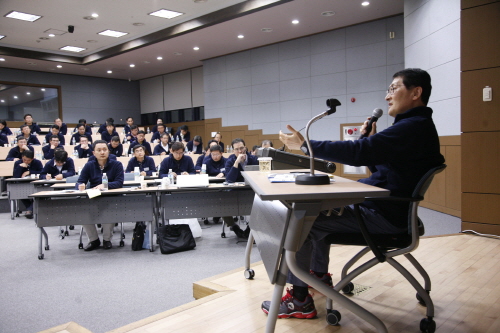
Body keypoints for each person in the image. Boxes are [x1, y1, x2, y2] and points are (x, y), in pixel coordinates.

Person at [261, 68, 445, 319]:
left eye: (393, 89)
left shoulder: (413, 127)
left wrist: (305, 145)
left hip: (383, 215)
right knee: (317, 211)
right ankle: (317, 276)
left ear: (416, 92)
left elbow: (359, 151)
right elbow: (382, 171)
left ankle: (300, 299)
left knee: (301, 218)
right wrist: (373, 143)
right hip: (389, 210)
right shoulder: (416, 127)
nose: (387, 96)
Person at [76, 140, 124, 251]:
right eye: (99, 150)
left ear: (108, 151)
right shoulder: (89, 165)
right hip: (94, 196)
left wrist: (105, 185)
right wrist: (81, 185)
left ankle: (107, 240)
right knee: (82, 211)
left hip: (111, 197)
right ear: (94, 153)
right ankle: (94, 240)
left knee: (110, 211)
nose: (102, 152)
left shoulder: (116, 164)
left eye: (104, 149)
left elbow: (119, 182)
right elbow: (80, 181)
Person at [223, 138, 258, 238]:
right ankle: (233, 226)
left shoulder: (254, 159)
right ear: (233, 150)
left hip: (251, 191)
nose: (240, 151)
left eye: (241, 148)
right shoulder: (230, 161)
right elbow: (229, 179)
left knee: (262, 205)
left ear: (245, 148)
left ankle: (250, 227)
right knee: (221, 203)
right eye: (236, 149)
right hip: (234, 192)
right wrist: (236, 163)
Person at [13, 150, 43, 219]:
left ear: (32, 159)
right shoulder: (18, 163)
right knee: (19, 191)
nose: (26, 162)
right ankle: (30, 209)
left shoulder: (37, 162)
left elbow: (42, 172)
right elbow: (15, 176)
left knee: (38, 192)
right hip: (21, 184)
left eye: (28, 160)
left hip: (34, 183)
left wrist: (29, 172)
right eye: (24, 160)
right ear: (22, 157)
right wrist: (20, 167)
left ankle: (29, 210)